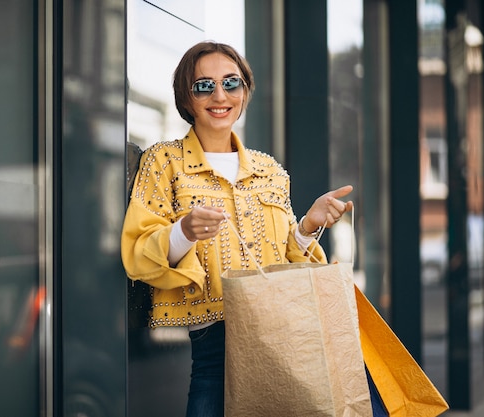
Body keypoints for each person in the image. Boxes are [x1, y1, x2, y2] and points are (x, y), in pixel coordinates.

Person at [121, 41, 353, 417]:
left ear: (245, 91)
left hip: (282, 333)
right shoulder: (163, 161)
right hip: (213, 341)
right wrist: (185, 231)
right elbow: (138, 252)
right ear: (185, 96)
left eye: (231, 83)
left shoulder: (269, 169)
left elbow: (285, 260)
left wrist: (309, 225)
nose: (219, 95)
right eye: (203, 86)